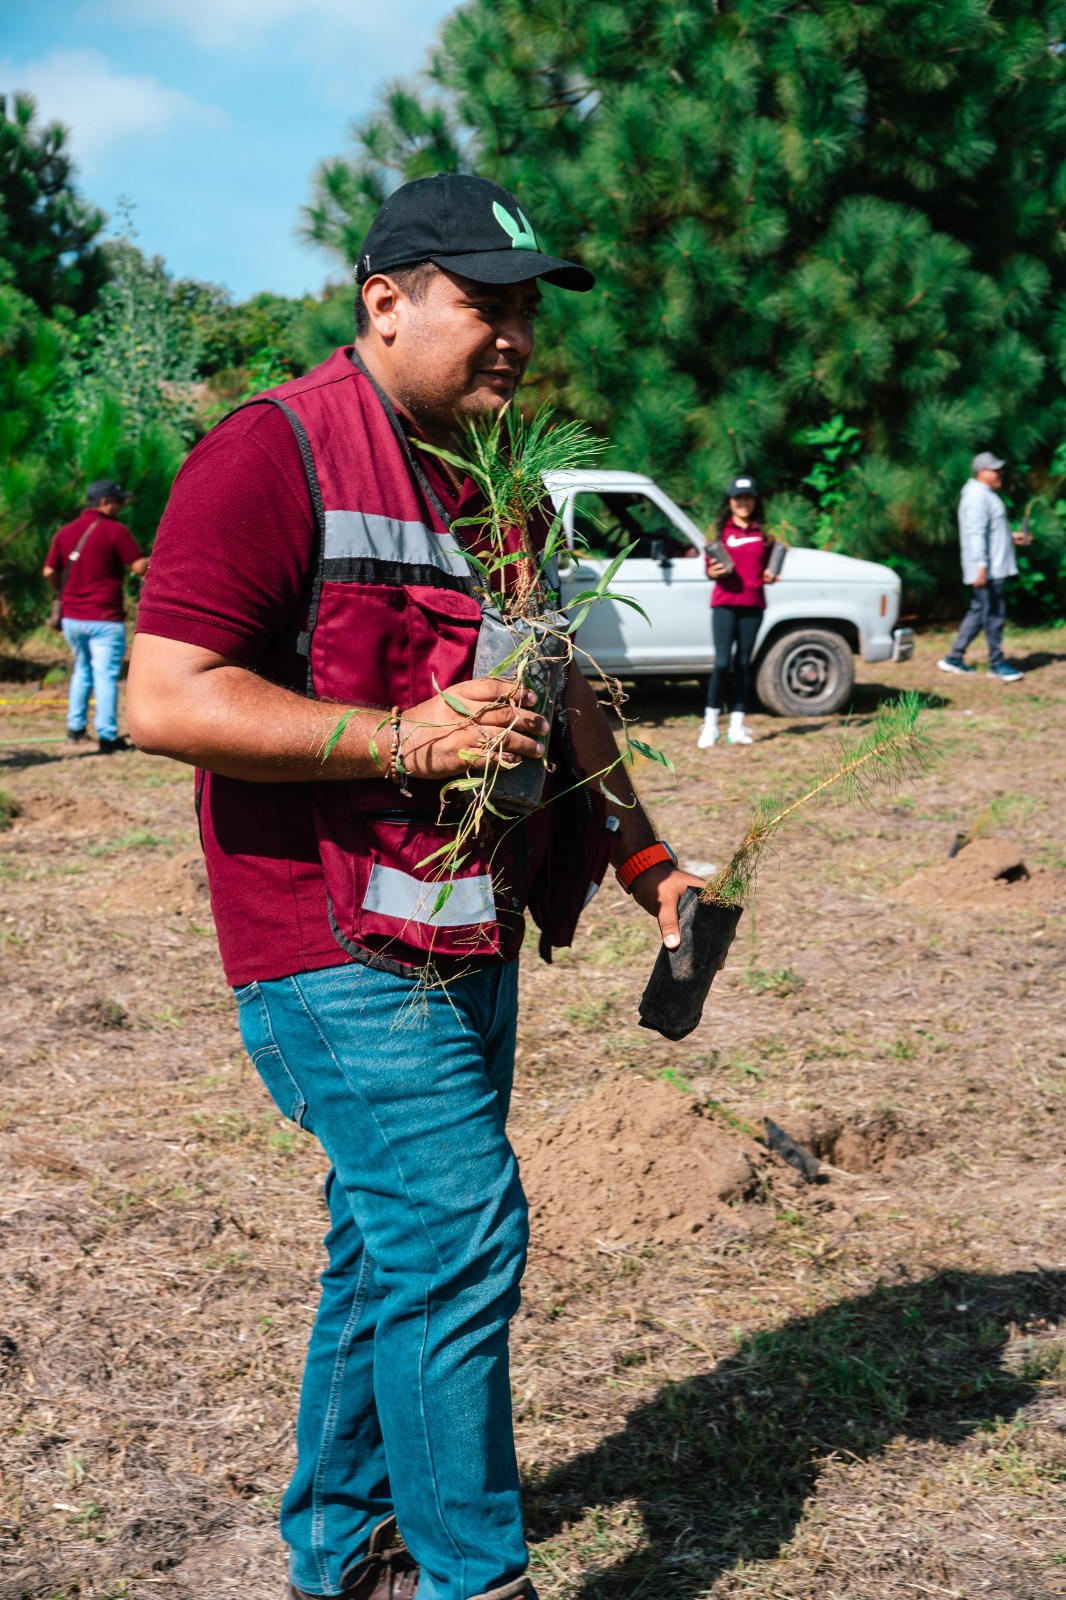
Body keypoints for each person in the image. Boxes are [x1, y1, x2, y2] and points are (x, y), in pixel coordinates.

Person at [126, 173, 712, 1600]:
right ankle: (474, 1580)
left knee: (386, 1253)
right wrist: (397, 735)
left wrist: (642, 858)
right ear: (383, 301)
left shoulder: (491, 480)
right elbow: (164, 696)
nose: (513, 335)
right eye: (483, 304)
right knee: (458, 1239)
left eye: (525, 310)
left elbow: (559, 691)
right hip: (327, 941)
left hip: (461, 935)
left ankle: (340, 1550)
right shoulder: (274, 454)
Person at [43, 478, 149, 752]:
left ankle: (75, 729)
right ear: (105, 502)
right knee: (105, 675)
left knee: (82, 670)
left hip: (71, 617)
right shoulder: (115, 531)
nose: (120, 508)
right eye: (118, 502)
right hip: (104, 617)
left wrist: (60, 594)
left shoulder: (65, 532)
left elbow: (49, 572)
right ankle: (107, 736)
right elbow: (138, 567)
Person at [697, 474, 777, 748]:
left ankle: (737, 727)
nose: (743, 502)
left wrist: (770, 575)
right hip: (725, 604)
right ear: (730, 501)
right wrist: (711, 570)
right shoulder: (719, 531)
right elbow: (709, 568)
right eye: (738, 497)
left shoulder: (764, 533)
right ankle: (710, 726)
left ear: (755, 501)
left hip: (753, 606)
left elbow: (768, 567)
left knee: (743, 665)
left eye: (748, 497)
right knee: (722, 664)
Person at [938, 451, 1027, 682]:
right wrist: (981, 567)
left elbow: (989, 530)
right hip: (989, 569)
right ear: (981, 472)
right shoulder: (977, 496)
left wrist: (1010, 536)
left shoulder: (983, 494)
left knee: (979, 612)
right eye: (995, 470)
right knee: (994, 615)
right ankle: (997, 663)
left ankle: (953, 658)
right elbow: (975, 534)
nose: (1000, 473)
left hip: (990, 567)